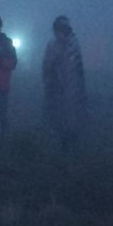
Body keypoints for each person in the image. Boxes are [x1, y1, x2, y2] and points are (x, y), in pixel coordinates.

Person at [42, 15, 87, 152]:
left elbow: (77, 68)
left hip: (72, 87)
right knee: (56, 113)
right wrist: (48, 81)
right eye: (57, 30)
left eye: (62, 30)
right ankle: (61, 140)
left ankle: (73, 140)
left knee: (71, 114)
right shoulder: (52, 45)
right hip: (55, 86)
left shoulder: (73, 44)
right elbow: (46, 66)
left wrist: (78, 87)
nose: (59, 33)